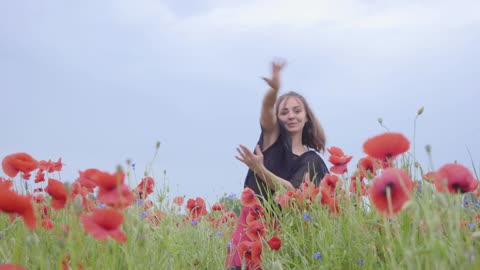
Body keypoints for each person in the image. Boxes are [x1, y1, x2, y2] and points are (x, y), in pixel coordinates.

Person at [225, 60, 329, 269]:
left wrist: (259, 169)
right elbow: (266, 109)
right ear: (278, 118)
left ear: (306, 117)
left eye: (297, 111)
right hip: (251, 225)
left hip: (283, 232)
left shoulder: (313, 161)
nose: (291, 115)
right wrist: (273, 90)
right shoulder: (272, 140)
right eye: (284, 112)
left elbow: (291, 191)